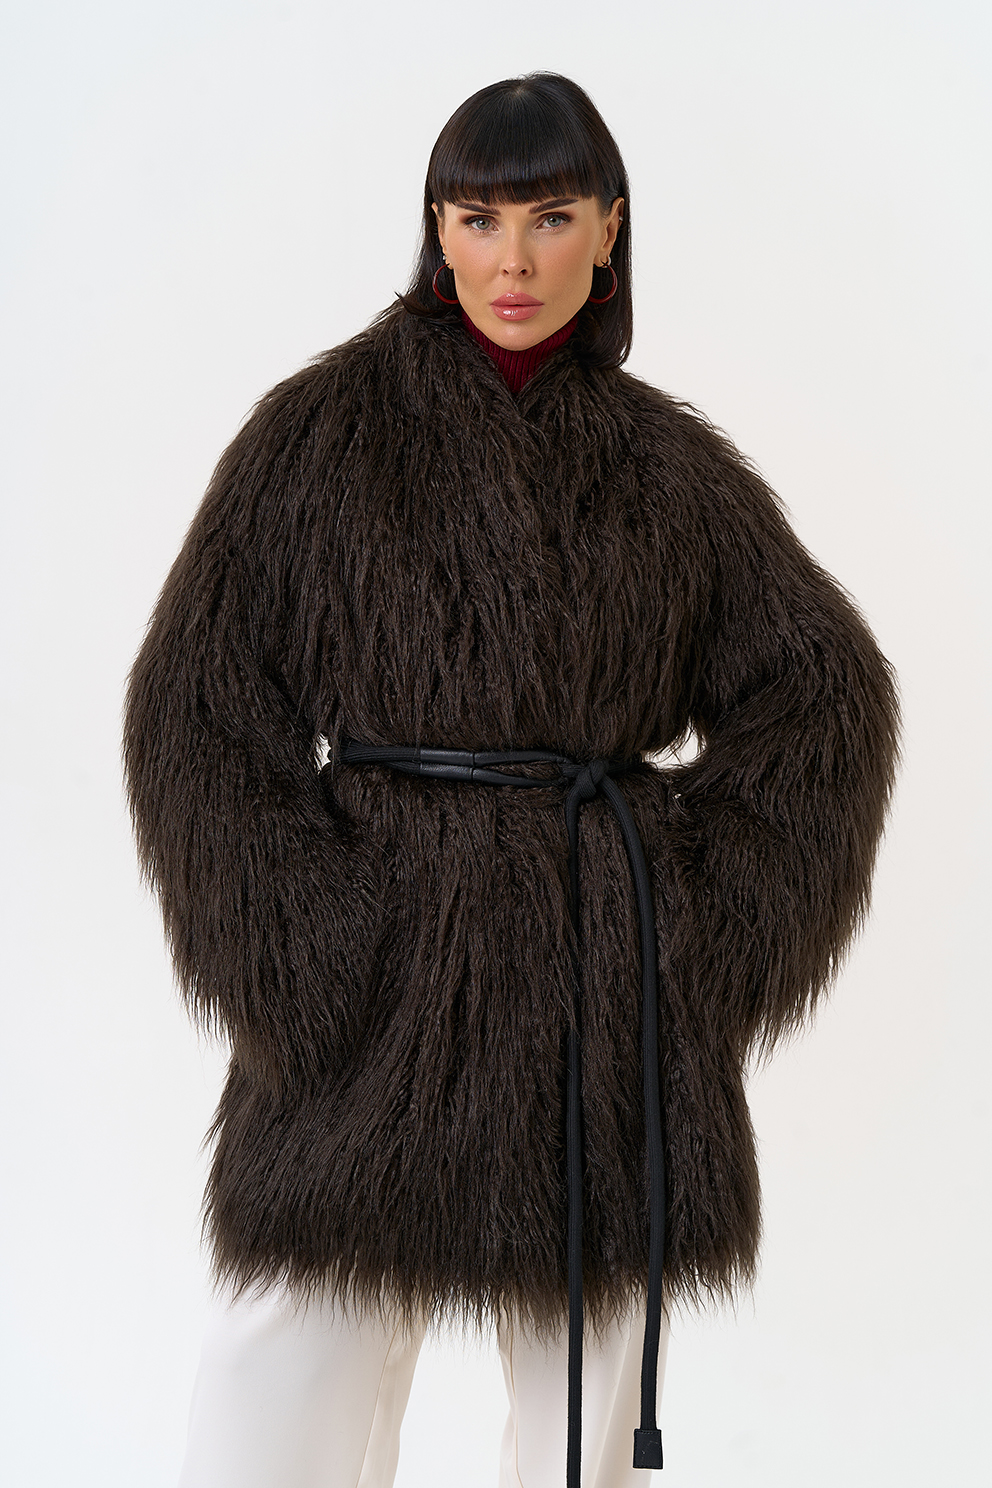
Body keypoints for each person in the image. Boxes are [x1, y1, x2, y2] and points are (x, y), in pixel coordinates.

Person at [122, 72, 900, 1488]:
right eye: (479, 218)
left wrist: (692, 930)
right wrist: (300, 945)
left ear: (610, 228)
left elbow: (825, 697)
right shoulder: (319, 438)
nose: (515, 259)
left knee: (584, 1396)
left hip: (596, 981)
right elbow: (196, 707)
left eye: (550, 216)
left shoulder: (672, 473)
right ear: (436, 230)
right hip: (374, 975)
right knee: (282, 1350)